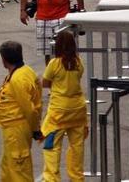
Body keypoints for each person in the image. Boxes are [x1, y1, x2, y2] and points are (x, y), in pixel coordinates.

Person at [41, 30, 87, 182]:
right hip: (78, 110)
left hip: (58, 112)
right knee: (77, 148)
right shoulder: (78, 62)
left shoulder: (55, 64)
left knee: (51, 147)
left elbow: (45, 83)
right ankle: (77, 178)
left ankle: (52, 179)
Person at [0, 40, 42, 182]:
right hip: (13, 131)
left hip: (16, 130)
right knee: (8, 168)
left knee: (19, 171)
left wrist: (35, 129)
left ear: (4, 59)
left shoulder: (17, 79)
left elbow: (29, 108)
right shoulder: (27, 71)